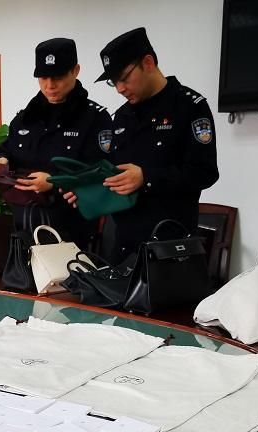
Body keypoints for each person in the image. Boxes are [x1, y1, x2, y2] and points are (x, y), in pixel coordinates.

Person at [68, 27, 218, 263]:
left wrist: (146, 177)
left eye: (124, 78)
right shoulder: (122, 117)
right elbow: (115, 175)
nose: (120, 89)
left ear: (148, 63)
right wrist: (86, 191)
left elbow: (204, 172)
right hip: (125, 249)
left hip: (170, 249)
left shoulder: (189, 106)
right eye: (113, 82)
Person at [0, 37, 114, 250]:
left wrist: (55, 182)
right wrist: (0, 158)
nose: (50, 85)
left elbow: (102, 172)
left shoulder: (95, 118)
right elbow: (8, 148)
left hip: (72, 233)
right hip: (25, 229)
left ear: (75, 71)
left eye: (58, 77)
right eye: (43, 78)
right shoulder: (25, 118)